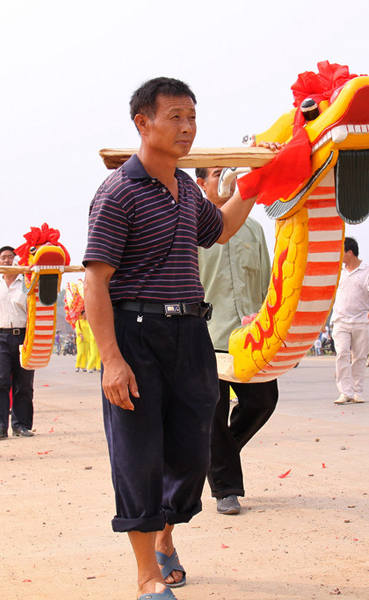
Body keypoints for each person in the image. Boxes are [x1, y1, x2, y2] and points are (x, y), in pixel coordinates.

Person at [83, 77, 268, 599]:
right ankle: (147, 577)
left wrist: (253, 185)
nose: (187, 128)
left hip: (191, 332)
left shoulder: (187, 189)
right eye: (175, 117)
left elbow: (221, 229)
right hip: (136, 334)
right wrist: (112, 361)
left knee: (192, 453)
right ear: (142, 124)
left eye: (192, 116)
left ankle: (165, 535)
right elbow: (96, 279)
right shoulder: (119, 191)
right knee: (139, 455)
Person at [196, 165, 278, 517]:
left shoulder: (255, 229)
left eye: (231, 171)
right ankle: (226, 488)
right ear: (201, 184)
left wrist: (276, 334)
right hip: (206, 335)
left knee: (264, 399)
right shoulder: (191, 227)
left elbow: (267, 284)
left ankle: (216, 457)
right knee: (213, 413)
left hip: (249, 338)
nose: (227, 179)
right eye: (217, 173)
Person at [0, 245, 35, 440]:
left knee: (24, 383)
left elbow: (34, 313)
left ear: (16, 260)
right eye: (3, 257)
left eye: (10, 257)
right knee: (1, 380)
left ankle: (21, 425)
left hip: (23, 337)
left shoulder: (26, 283)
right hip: (0, 337)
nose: (6, 260)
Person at [332, 237, 369, 405]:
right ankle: (345, 392)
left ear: (349, 252)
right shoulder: (338, 271)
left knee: (359, 357)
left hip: (360, 321)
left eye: (341, 252)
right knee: (342, 354)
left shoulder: (368, 271)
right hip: (340, 320)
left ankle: (357, 391)